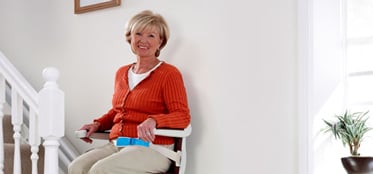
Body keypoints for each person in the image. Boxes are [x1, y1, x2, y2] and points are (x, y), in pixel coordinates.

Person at [68, 10, 191, 174]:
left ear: (160, 42)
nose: (143, 40)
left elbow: (182, 116)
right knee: (76, 167)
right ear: (130, 38)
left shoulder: (169, 74)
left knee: (101, 170)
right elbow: (117, 111)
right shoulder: (122, 73)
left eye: (151, 36)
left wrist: (154, 120)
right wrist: (98, 124)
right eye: (138, 34)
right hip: (118, 144)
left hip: (153, 148)